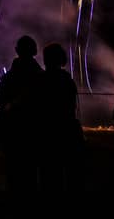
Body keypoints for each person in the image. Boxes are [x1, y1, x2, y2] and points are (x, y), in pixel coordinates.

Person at [0, 35, 44, 199]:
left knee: (13, 169)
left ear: (17, 50)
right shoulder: (41, 76)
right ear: (35, 51)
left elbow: (0, 100)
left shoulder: (9, 76)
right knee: (31, 169)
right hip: (34, 129)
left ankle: (15, 198)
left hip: (13, 129)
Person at [39, 43, 82, 200]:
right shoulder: (67, 81)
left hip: (48, 132)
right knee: (70, 171)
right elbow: (71, 107)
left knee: (49, 172)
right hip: (67, 129)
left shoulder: (40, 80)